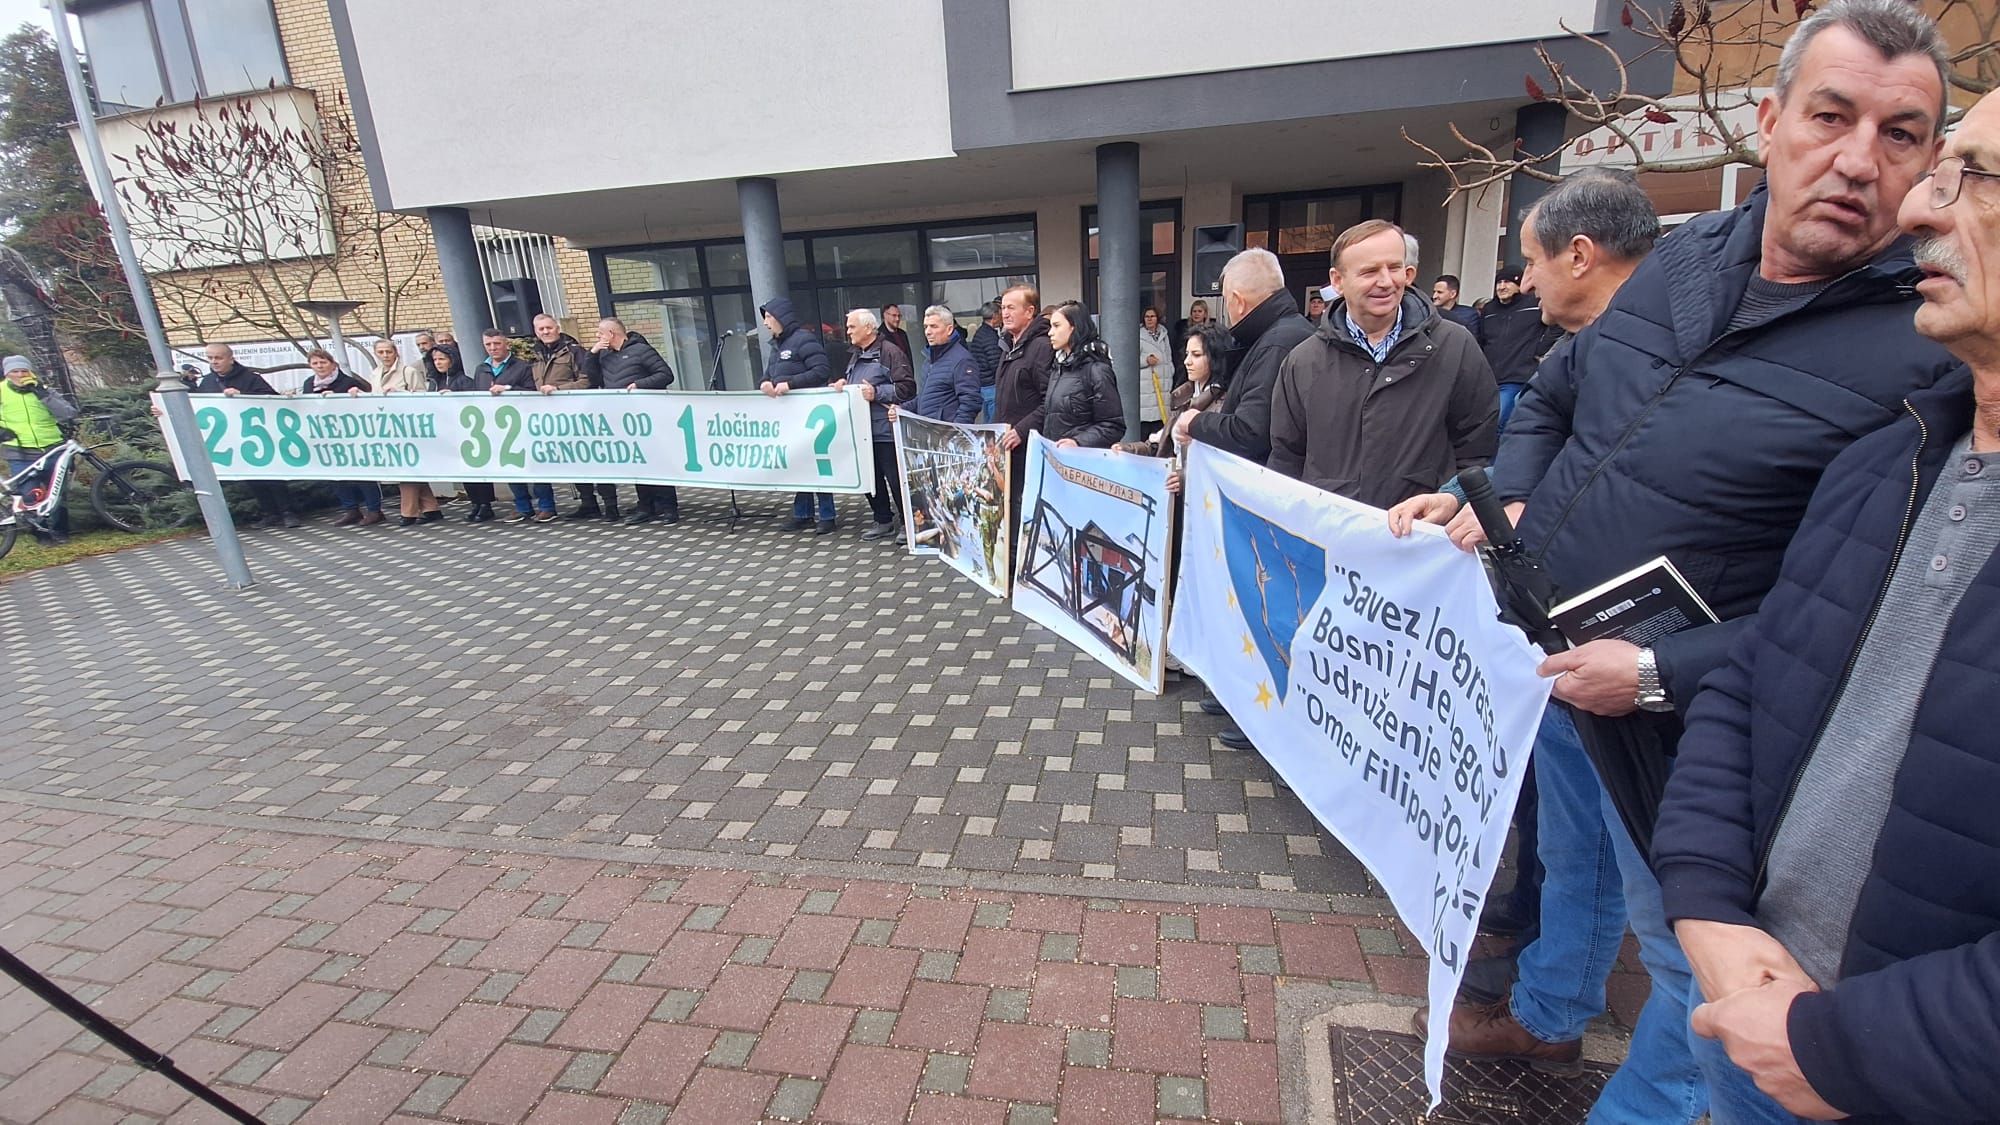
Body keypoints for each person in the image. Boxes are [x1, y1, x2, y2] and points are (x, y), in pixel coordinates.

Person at [1400, 6, 1956, 1120]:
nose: (1858, 161)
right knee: (1573, 863)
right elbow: (1555, 395)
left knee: (1693, 964)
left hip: (1695, 732)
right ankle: (1551, 1014)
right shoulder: (1684, 258)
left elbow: (1873, 615)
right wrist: (1508, 494)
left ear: (1930, 159)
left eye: (1899, 134)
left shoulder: (1930, 350)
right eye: (1831, 116)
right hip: (1559, 664)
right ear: (1772, 122)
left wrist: (1660, 674)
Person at [1653, 90, 2000, 1125]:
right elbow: (1755, 682)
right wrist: (1705, 903)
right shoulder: (1885, 462)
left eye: (1973, 178)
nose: (1919, 208)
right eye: (1937, 173)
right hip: (1753, 1025)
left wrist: (1846, 1048)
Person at [1391, 167, 1662, 1002]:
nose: (1525, 279)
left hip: (1640, 656)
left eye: (1534, 260)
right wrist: (1478, 497)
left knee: (1642, 882)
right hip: (1564, 639)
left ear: (1580, 255)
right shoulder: (1581, 352)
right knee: (1568, 835)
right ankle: (1548, 972)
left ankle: (1561, 1005)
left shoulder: (1677, 353)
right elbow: (1541, 438)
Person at [1174, 247, 1321, 749]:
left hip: (1269, 498)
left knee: (1270, 609)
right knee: (1247, 602)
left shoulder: (1278, 342)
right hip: (1257, 498)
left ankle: (1260, 710)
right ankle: (1239, 692)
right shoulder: (1274, 336)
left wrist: (1197, 424)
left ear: (1236, 299)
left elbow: (1251, 429)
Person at [1267, 218, 1497, 510]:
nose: (1386, 282)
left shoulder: (1455, 346)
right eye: (1370, 271)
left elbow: (1477, 450)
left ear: (1409, 273)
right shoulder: (1302, 362)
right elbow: (1286, 459)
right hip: (1331, 528)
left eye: (1394, 268)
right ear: (1337, 281)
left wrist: (1453, 503)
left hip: (1421, 529)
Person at [193, 343, 299, 528]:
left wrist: (242, 395)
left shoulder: (250, 378)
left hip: (258, 435)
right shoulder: (208, 382)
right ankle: (269, 513)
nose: (214, 362)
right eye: (210, 358)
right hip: (233, 438)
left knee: (273, 475)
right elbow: (196, 406)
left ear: (231, 359)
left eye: (218, 358)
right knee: (252, 477)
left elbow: (270, 399)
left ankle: (288, 512)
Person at [760, 297, 838, 534]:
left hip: (809, 413)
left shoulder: (804, 340)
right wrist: (765, 382)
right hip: (790, 416)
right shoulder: (777, 346)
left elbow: (822, 371)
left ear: (781, 317)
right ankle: (803, 513)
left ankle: (827, 515)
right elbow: (770, 373)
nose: (765, 323)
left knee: (817, 462)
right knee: (799, 463)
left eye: (768, 317)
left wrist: (791, 384)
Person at [531, 313, 618, 522]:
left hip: (582, 414)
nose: (546, 332)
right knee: (575, 461)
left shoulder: (574, 351)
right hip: (556, 418)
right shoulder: (534, 356)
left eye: (549, 327)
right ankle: (588, 503)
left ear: (557, 328)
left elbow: (587, 381)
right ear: (536, 332)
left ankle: (611, 506)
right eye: (541, 329)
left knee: (596, 461)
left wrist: (559, 389)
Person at [592, 317, 679, 525]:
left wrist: (641, 384)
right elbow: (593, 379)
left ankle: (668, 508)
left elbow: (666, 375)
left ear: (611, 333)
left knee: (657, 460)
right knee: (638, 462)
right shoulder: (605, 356)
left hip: (647, 415)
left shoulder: (641, 351)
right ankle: (645, 506)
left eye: (600, 333)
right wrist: (592, 354)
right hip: (623, 417)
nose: (597, 336)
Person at [842, 308, 916, 541]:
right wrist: (844, 385)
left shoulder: (890, 352)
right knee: (870, 479)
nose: (848, 331)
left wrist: (877, 393)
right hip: (863, 431)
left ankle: (908, 523)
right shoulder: (856, 355)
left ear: (868, 328)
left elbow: (907, 388)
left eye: (852, 326)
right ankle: (882, 519)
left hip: (886, 430)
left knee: (896, 480)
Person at [1116, 320, 1233, 459]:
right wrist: (1128, 450)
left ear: (1215, 358)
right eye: (1187, 354)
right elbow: (1162, 443)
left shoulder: (1225, 405)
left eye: (1196, 354)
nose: (1187, 361)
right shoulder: (1184, 396)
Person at [477, 330, 557, 525]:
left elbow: (531, 392)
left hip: (523, 423)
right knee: (510, 465)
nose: (493, 348)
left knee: (534, 465)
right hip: (495, 425)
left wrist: (508, 389)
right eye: (488, 344)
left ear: (506, 344)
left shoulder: (522, 366)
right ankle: (522, 506)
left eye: (497, 343)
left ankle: (546, 506)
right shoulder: (481, 369)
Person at [298, 348, 379, 527]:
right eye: (315, 363)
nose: (320, 366)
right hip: (326, 436)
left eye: (323, 362)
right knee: (336, 475)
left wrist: (339, 398)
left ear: (333, 364)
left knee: (362, 473)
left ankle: (374, 510)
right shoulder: (309, 384)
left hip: (351, 434)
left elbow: (364, 402)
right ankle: (351, 509)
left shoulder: (347, 382)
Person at [1, 356, 78, 544]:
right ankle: (41, 534)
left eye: (24, 370)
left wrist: (42, 394)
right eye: (15, 371)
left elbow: (68, 413)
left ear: (30, 372)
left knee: (57, 494)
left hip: (53, 448)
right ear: (7, 374)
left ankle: (61, 531)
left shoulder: (43, 389)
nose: (20, 375)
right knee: (30, 494)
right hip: (20, 452)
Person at [1478, 267, 1564, 432]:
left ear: (1519, 284)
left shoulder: (1534, 303)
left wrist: (1540, 349)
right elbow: (1482, 339)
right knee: (1486, 425)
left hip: (1517, 375)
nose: (1502, 287)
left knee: (1499, 422)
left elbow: (1557, 324)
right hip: (1489, 377)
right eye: (1499, 282)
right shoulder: (1489, 309)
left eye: (1507, 282)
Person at [993, 284, 1054, 512]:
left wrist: (1021, 430)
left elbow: (1051, 401)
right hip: (1008, 447)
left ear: (1029, 312)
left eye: (1011, 308)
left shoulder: (1042, 347)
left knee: (1024, 508)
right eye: (1003, 308)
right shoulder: (1008, 346)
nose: (1005, 313)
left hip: (1029, 447)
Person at [370, 339, 441, 527]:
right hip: (387, 426)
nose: (385, 355)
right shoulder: (375, 373)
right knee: (407, 468)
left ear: (396, 352)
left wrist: (400, 393)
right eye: (381, 352)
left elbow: (421, 396)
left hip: (407, 426)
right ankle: (431, 508)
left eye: (388, 351)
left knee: (407, 470)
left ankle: (408, 512)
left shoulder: (408, 371)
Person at [1042, 302, 1124, 450]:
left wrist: (1077, 442)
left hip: (1083, 459)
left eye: (1056, 326)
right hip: (1057, 457)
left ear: (1074, 327)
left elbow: (1113, 426)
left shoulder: (1097, 370)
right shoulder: (1058, 368)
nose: (1050, 333)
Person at [431, 346, 497, 522]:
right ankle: (475, 502)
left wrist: (454, 396)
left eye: (442, 359)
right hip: (449, 432)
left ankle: (485, 504)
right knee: (464, 471)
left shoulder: (464, 381)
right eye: (435, 359)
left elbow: (472, 404)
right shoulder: (435, 382)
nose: (438, 363)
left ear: (451, 360)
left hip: (468, 432)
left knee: (476, 469)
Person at [914, 305, 981, 424]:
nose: (928, 332)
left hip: (947, 433)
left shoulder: (962, 360)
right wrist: (901, 408)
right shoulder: (929, 360)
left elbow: (971, 402)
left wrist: (955, 431)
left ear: (949, 329)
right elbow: (926, 398)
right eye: (925, 327)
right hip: (929, 431)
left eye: (934, 326)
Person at [1137, 306, 1176, 423]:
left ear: (1157, 318)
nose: (1149, 319)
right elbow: (1130, 360)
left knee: (1161, 421)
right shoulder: (1138, 335)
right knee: (1148, 422)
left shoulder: (1164, 334)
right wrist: (1146, 360)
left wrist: (1170, 371)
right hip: (1146, 386)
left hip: (1163, 384)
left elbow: (1168, 356)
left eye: (1152, 316)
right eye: (1147, 317)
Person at [969, 300, 1004, 421]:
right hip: (991, 385)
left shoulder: (980, 333)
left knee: (988, 422)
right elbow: (996, 364)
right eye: (1000, 314)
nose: (1003, 317)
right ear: (995, 316)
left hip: (983, 383)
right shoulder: (990, 337)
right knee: (994, 423)